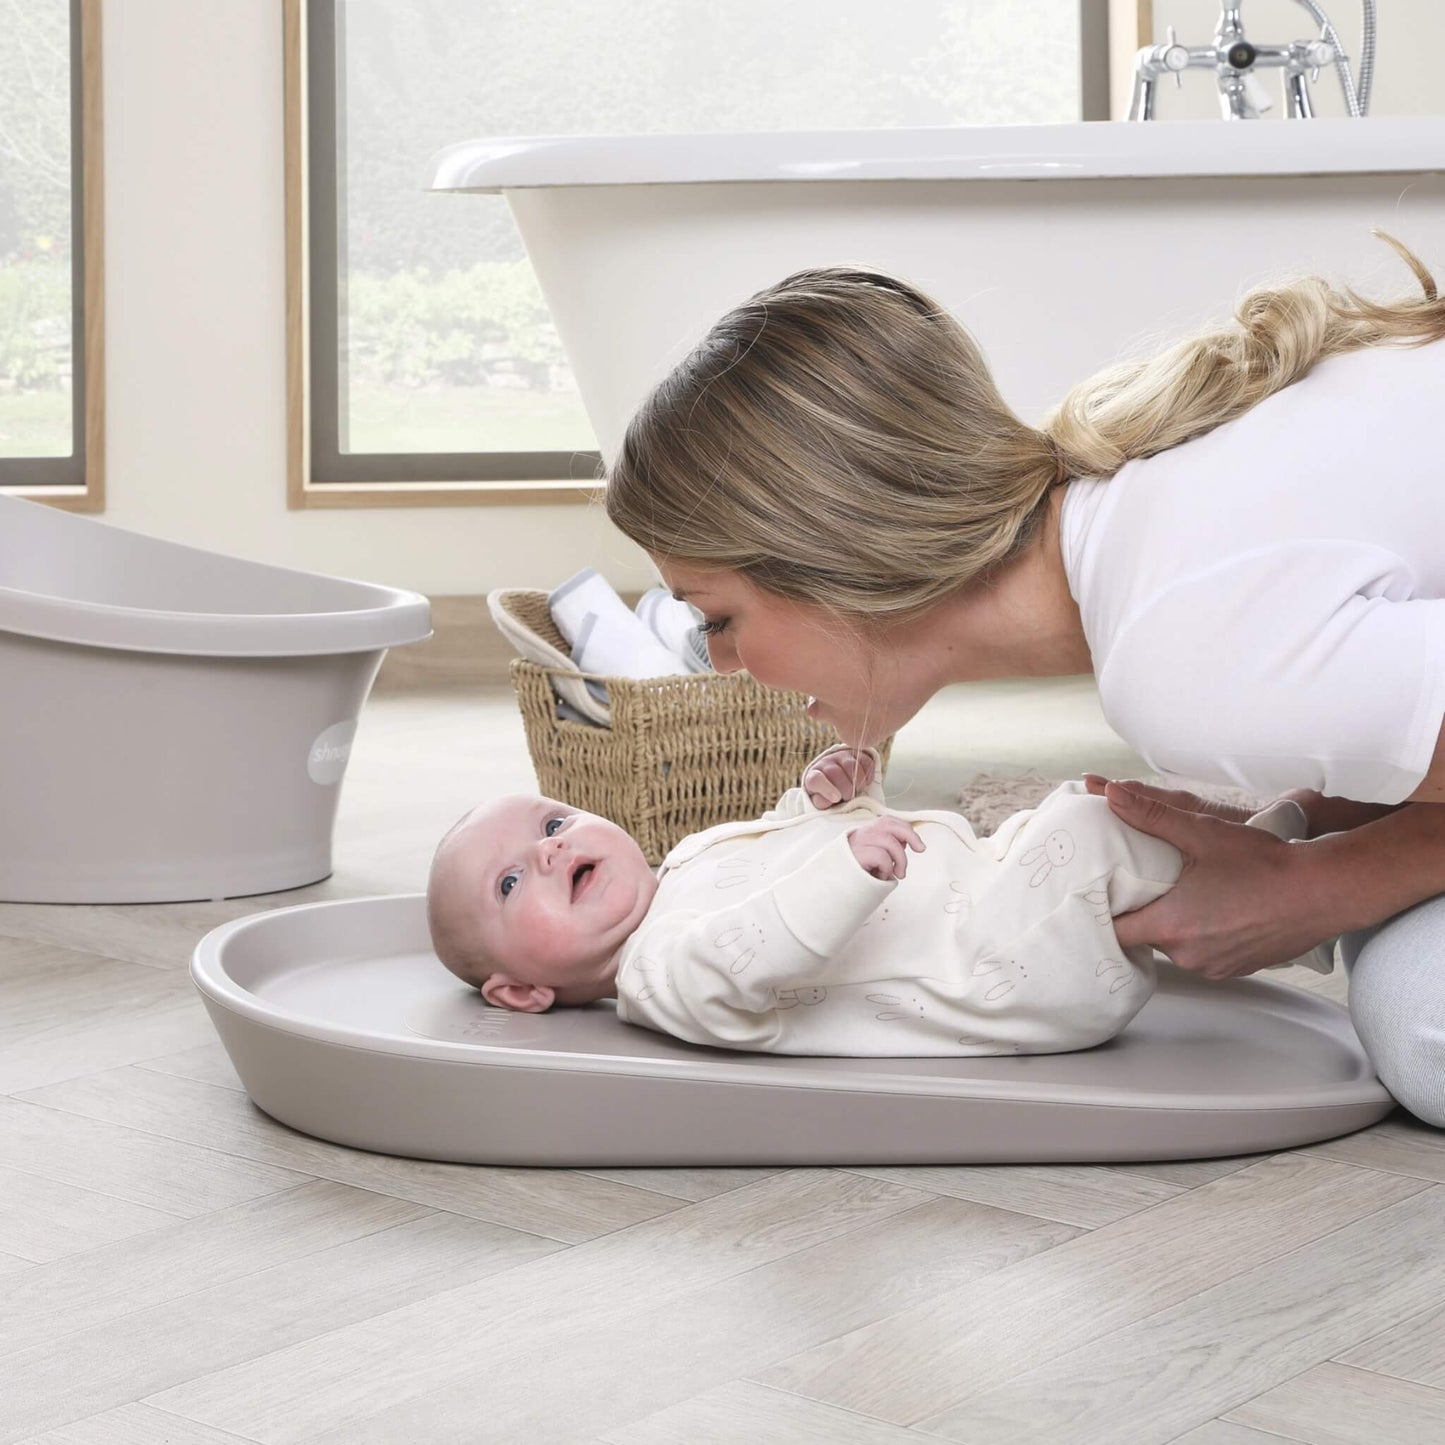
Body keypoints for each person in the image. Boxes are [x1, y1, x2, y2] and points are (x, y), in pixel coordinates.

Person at [600, 231, 1445, 1122]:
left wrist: (1315, 889)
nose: (722, 663)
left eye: (717, 619)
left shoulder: (1177, 657)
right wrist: (1311, 820)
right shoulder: (1139, 513)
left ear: (835, 562)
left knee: (1423, 1021)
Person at [426, 744, 1323, 1055]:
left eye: (552, 822)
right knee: (1090, 830)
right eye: (509, 882)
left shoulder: (690, 856)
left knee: (1074, 808)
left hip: (979, 882)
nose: (548, 852)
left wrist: (829, 799)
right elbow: (751, 948)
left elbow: (787, 849)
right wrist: (846, 868)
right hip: (986, 968)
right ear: (521, 990)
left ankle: (1267, 861)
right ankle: (1299, 902)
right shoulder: (655, 976)